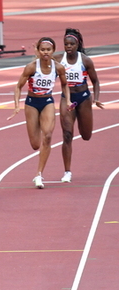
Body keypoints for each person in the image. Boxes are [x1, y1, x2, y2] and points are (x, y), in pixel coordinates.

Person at [9, 37, 70, 189]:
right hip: (31, 103)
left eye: (48, 50)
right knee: (35, 144)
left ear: (53, 51)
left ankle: (39, 174)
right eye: (42, 49)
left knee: (48, 136)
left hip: (47, 101)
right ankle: (38, 171)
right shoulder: (31, 67)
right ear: (38, 51)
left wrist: (67, 100)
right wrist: (17, 105)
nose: (45, 52)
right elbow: (18, 87)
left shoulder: (58, 68)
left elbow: (65, 85)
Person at [54, 28, 104, 183]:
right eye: (66, 44)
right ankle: (67, 172)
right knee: (67, 135)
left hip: (83, 98)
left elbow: (95, 81)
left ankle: (84, 127)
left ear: (77, 45)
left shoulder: (85, 60)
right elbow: (45, 70)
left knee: (86, 135)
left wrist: (95, 99)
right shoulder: (58, 60)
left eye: (71, 44)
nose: (68, 47)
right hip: (66, 99)